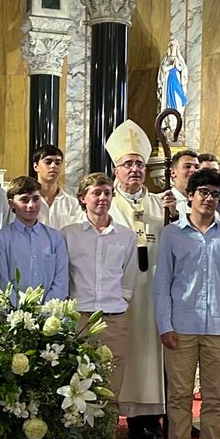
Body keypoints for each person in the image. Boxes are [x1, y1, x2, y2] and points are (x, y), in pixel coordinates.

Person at [155, 167, 220, 439]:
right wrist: (164, 324)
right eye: (203, 192)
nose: (209, 199)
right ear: (190, 195)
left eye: (215, 194)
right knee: (179, 397)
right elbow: (162, 283)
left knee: (214, 398)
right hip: (181, 326)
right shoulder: (172, 234)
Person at [107, 120, 173, 439]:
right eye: (127, 164)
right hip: (122, 293)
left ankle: (150, 418)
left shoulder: (161, 204)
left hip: (155, 293)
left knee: (152, 354)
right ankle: (129, 417)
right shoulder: (107, 204)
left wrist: (175, 217)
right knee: (128, 353)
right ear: (115, 169)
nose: (134, 169)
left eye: (139, 164)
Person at [62, 173, 137, 412]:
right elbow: (64, 274)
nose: (102, 198)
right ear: (83, 198)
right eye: (96, 193)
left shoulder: (126, 235)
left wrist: (118, 302)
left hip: (112, 318)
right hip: (80, 317)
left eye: (107, 193)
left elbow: (129, 276)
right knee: (77, 385)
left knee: (110, 384)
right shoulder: (68, 233)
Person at [0, 176, 68, 301]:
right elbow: (2, 281)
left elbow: (61, 280)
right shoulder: (1, 238)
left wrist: (45, 311)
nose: (31, 205)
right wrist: (20, 312)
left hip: (50, 314)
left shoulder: (55, 237)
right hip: (12, 314)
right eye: (24, 200)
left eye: (36, 199)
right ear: (11, 203)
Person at [32, 145, 82, 229]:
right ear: (36, 166)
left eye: (58, 163)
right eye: (48, 162)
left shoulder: (72, 203)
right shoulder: (26, 202)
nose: (53, 166)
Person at [166, 148, 200, 220]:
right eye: (187, 166)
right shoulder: (164, 201)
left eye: (197, 167)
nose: (193, 170)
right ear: (173, 172)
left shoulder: (205, 202)